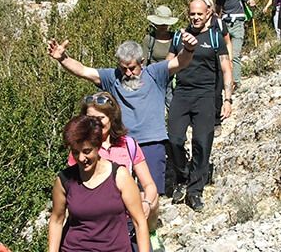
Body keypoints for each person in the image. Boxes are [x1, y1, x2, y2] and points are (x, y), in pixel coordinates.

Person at [48, 31, 197, 196]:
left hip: (152, 143)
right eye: (123, 68)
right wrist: (63, 58)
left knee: (150, 193)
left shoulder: (155, 73)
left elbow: (180, 62)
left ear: (142, 62)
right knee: (116, 193)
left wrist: (189, 48)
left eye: (132, 68)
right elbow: (84, 71)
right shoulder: (113, 77)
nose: (127, 73)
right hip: (121, 144)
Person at [166, 0, 233, 212]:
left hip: (205, 96)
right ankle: (182, 176)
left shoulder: (215, 37)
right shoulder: (178, 36)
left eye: (199, 14)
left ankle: (195, 191)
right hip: (182, 94)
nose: (195, 17)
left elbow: (225, 67)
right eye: (192, 14)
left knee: (202, 143)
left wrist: (228, 99)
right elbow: (166, 67)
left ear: (208, 14)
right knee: (175, 139)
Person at [71, 91, 160, 249]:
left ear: (112, 118)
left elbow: (149, 186)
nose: (96, 124)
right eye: (91, 119)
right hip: (95, 229)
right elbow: (73, 189)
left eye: (101, 118)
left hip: (129, 224)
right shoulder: (80, 151)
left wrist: (146, 203)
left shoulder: (129, 145)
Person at [49, 115, 149, 252]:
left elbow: (139, 221)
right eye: (75, 153)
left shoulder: (120, 176)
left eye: (86, 151)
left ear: (98, 146)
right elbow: (56, 220)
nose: (81, 158)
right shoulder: (64, 180)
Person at [214, 0, 255, 90]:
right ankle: (224, 80)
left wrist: (251, 3)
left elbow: (247, 1)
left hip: (237, 25)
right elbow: (218, 9)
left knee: (235, 55)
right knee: (223, 54)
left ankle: (236, 82)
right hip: (225, 25)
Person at [202, 0, 231, 136]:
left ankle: (216, 122)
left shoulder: (218, 23)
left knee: (216, 93)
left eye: (207, 6)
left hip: (218, 63)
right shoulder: (195, 25)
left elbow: (227, 41)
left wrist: (229, 60)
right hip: (203, 65)